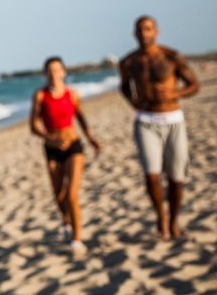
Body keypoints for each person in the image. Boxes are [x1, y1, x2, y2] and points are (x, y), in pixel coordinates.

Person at [119, 15, 199, 240]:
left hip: (173, 119)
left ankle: (174, 221)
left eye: (148, 29)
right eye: (140, 30)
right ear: (134, 34)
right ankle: (160, 217)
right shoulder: (129, 62)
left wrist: (176, 92)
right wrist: (132, 101)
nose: (144, 34)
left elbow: (194, 85)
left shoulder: (171, 56)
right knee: (151, 175)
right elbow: (124, 87)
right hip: (146, 121)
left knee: (176, 176)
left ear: (156, 31)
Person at [30, 56, 102, 258]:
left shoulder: (73, 94)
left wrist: (91, 139)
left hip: (73, 145)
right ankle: (66, 222)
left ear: (64, 72)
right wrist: (49, 138)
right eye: (50, 70)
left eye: (57, 70)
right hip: (52, 148)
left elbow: (81, 117)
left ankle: (77, 240)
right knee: (58, 194)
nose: (54, 74)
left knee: (71, 193)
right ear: (46, 73)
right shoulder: (40, 96)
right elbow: (34, 125)